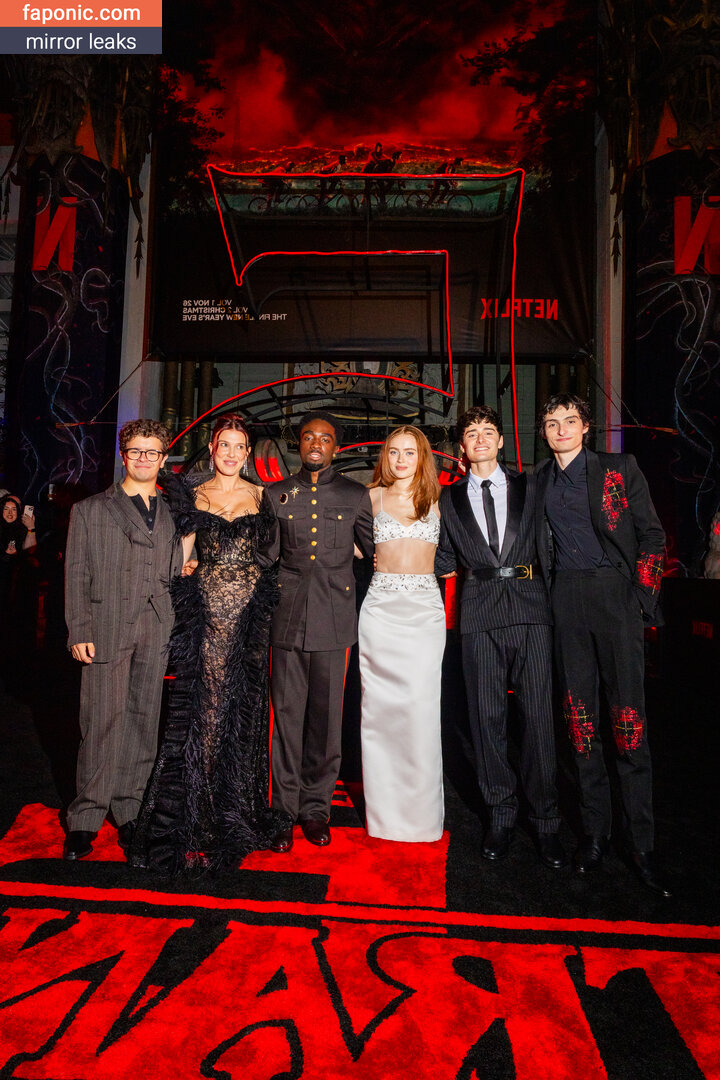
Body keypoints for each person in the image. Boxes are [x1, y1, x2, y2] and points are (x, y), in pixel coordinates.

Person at [130, 414, 289, 873]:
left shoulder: (262, 495)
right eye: (225, 445)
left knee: (241, 707)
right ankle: (194, 805)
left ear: (248, 452)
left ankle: (231, 804)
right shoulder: (194, 493)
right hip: (206, 612)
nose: (232, 453)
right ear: (213, 448)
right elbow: (183, 551)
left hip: (249, 616)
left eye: (240, 446)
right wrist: (180, 574)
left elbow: (273, 555)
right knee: (204, 705)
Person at [535, 393, 670, 895]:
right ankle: (595, 834)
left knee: (629, 726)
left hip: (616, 600)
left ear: (586, 427)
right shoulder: (538, 481)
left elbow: (653, 537)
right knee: (581, 725)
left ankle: (642, 844)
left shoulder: (619, 468)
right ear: (543, 431)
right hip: (566, 601)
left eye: (570, 421)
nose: (561, 429)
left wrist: (640, 600)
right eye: (552, 422)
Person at [435, 406, 566, 868]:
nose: (480, 439)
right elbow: (442, 557)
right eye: (471, 433)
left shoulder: (531, 486)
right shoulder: (447, 499)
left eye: (488, 431)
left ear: (501, 441)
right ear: (462, 447)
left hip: (531, 610)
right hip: (478, 613)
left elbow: (553, 542)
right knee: (485, 720)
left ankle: (546, 821)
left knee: (538, 719)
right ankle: (501, 814)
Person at [63, 420, 182, 860]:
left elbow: (175, 567)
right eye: (136, 451)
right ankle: (85, 818)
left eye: (152, 452)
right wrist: (80, 629)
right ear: (123, 455)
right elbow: (76, 572)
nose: (144, 459)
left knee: (142, 722)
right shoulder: (91, 509)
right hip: (107, 626)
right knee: (100, 723)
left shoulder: (174, 511)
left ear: (163, 458)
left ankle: (130, 810)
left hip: (157, 628)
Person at [257, 410, 374, 852]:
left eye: (324, 438)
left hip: (335, 620)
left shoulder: (354, 495)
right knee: (285, 719)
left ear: (335, 448)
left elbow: (376, 556)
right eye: (308, 437)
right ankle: (282, 810)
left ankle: (315, 809)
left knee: (325, 723)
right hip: (286, 618)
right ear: (299, 444)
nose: (316, 444)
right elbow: (264, 558)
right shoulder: (276, 494)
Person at [359, 426, 445, 842]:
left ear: (422, 457)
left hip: (425, 612)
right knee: (380, 712)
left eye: (409, 452)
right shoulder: (370, 498)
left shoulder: (440, 499)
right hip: (381, 611)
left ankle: (421, 816)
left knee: (421, 711)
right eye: (394, 452)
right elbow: (347, 547)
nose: (401, 460)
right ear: (385, 456)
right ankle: (385, 817)